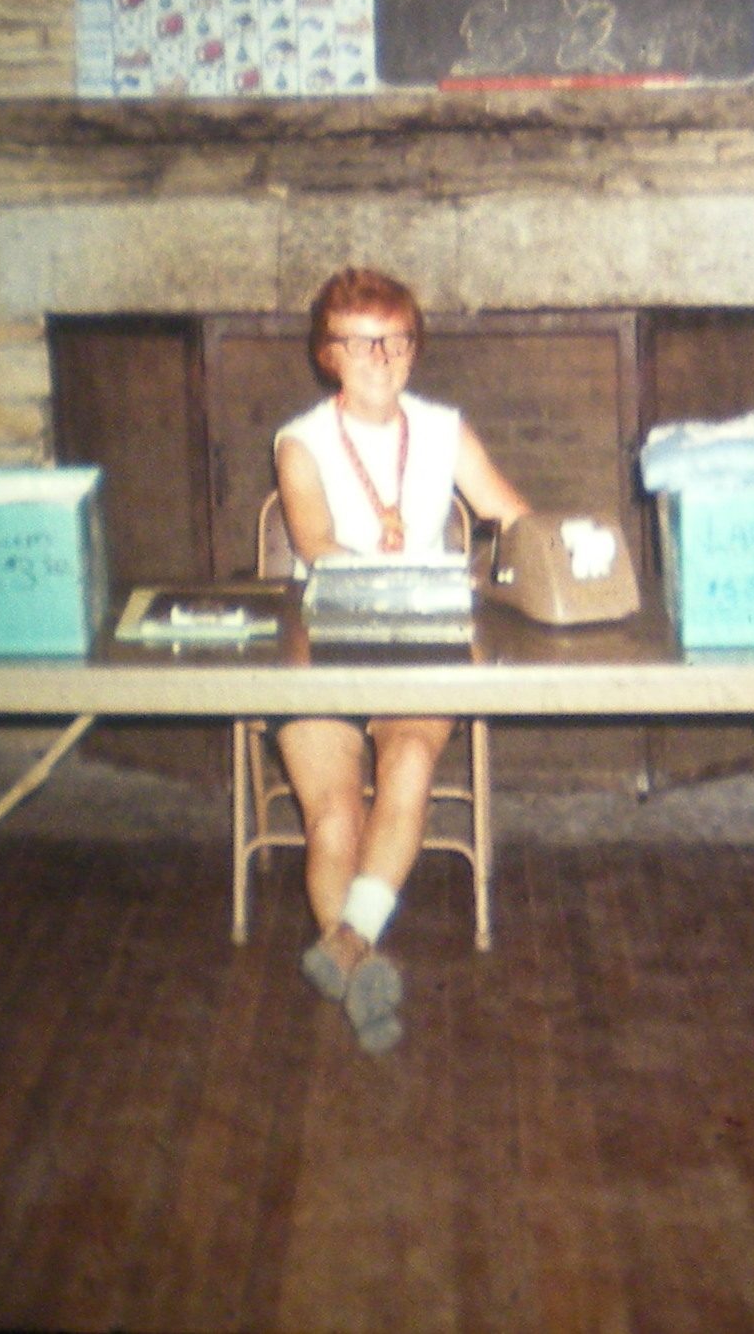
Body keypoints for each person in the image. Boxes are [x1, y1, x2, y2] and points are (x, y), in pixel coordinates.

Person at [273, 267, 530, 1053]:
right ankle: (359, 967)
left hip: (419, 640)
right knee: (333, 815)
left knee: (412, 760)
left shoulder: (444, 429)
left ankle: (347, 949)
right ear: (329, 355)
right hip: (321, 643)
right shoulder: (299, 442)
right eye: (360, 344)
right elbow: (316, 547)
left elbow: (509, 514)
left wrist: (519, 562)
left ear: (414, 351)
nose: (380, 359)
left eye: (395, 342)